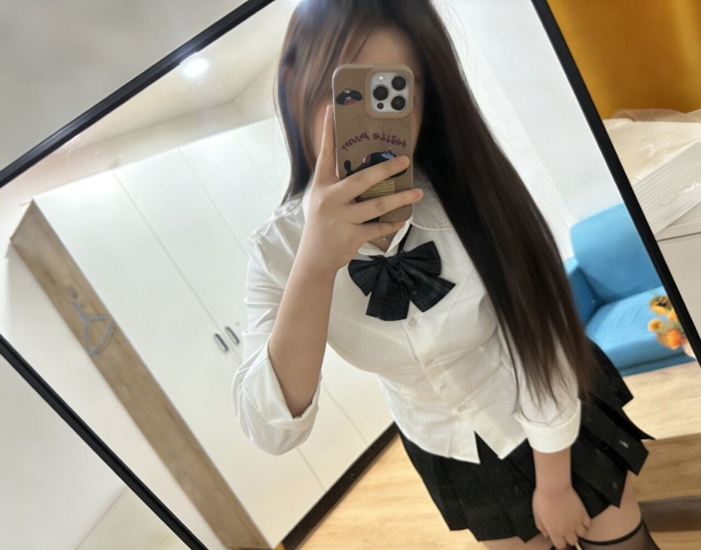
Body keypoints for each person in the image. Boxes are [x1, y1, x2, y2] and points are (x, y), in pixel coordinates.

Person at [232, 1, 660, 549]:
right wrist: (314, 262)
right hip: (448, 448)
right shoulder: (276, 253)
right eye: (346, 91)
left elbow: (541, 337)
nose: (369, 122)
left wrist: (554, 485)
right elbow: (272, 429)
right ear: (294, 85)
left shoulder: (471, 193)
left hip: (550, 408)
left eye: (392, 93)